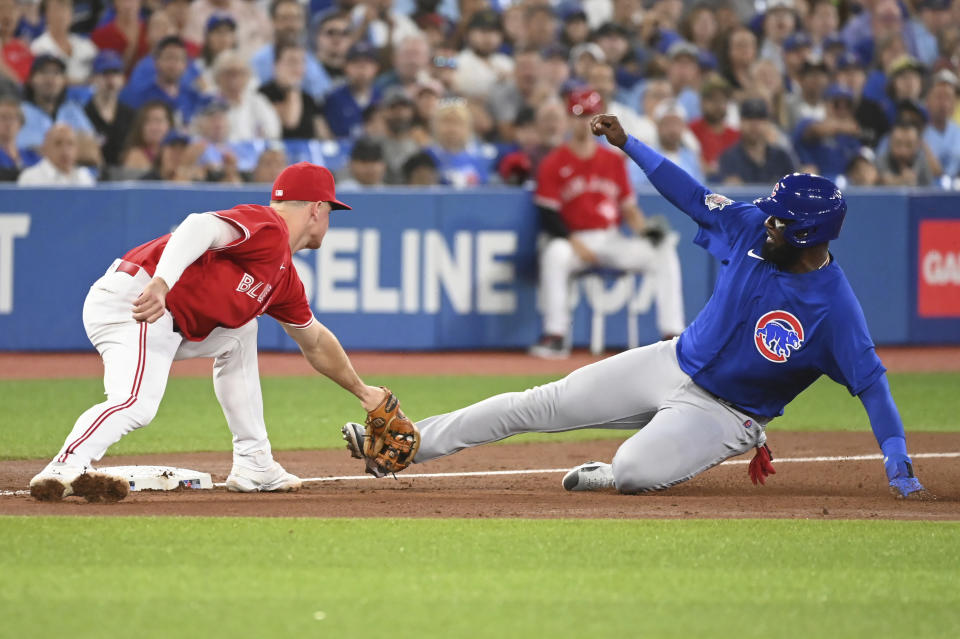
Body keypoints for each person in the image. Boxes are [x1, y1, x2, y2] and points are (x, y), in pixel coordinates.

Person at [343, 112, 928, 503]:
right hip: (672, 360)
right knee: (537, 404)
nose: (767, 220)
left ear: (813, 234)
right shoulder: (751, 225)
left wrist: (898, 462)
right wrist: (630, 146)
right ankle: (404, 444)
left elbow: (872, 385)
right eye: (770, 212)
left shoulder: (835, 309)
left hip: (727, 414)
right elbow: (690, 193)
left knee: (632, 473)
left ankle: (614, 470)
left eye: (782, 220)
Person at [29, 162, 391, 503]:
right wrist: (161, 282)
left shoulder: (283, 278)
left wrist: (364, 392)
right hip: (139, 302)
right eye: (329, 211)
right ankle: (65, 465)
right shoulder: (269, 225)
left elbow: (314, 340)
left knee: (239, 335)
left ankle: (255, 463)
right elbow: (199, 225)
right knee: (136, 404)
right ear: (315, 209)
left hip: (164, 319)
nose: (328, 220)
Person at [528, 89, 685, 359]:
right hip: (574, 239)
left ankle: (672, 334)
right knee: (554, 254)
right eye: (578, 115)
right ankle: (555, 335)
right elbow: (548, 214)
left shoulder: (613, 160)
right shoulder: (554, 161)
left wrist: (645, 231)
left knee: (664, 250)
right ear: (568, 118)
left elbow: (629, 209)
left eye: (589, 115)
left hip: (611, 238)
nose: (584, 122)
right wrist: (573, 242)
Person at [119, 36, 205, 126]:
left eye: (179, 59)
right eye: (169, 58)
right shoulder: (139, 95)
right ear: (156, 62)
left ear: (185, 65)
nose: (173, 64)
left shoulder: (192, 97)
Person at [717, 98, 795, 184]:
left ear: (768, 123)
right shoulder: (728, 158)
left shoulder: (781, 157)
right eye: (749, 118)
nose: (754, 124)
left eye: (760, 118)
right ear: (741, 122)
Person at [84, 51, 136, 168]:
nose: (110, 79)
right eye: (105, 74)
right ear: (93, 78)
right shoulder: (83, 114)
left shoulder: (130, 115)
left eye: (115, 73)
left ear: (123, 79)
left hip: (124, 175)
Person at [321, 42, 381, 140]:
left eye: (367, 63)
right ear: (346, 67)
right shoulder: (334, 99)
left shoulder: (382, 98)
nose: (362, 69)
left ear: (376, 68)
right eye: (356, 63)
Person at [29, 0, 97, 85]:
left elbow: (98, 75)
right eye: (57, 9)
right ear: (46, 14)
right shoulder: (38, 47)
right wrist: (83, 82)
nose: (62, 14)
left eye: (66, 8)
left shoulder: (86, 45)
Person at [17, 122, 95, 185]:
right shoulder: (30, 178)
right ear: (45, 149)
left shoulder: (84, 176)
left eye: (70, 144)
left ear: (77, 149)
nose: (65, 150)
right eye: (58, 143)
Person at [0, 93, 41, 181]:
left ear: (21, 123)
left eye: (12, 118)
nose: (8, 123)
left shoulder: (32, 156)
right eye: (3, 117)